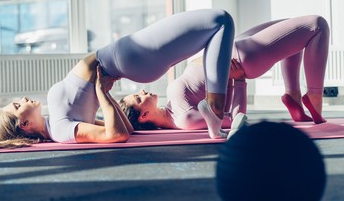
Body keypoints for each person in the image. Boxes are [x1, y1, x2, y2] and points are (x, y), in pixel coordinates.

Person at [0, 9, 235, 150]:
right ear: (25, 125)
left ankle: (214, 110)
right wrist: (101, 94)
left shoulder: (56, 121)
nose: (20, 101)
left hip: (129, 58)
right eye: (16, 107)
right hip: (130, 56)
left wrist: (107, 94)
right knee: (220, 21)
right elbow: (117, 135)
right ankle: (214, 110)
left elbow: (127, 129)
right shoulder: (61, 130)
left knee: (215, 29)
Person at [120, 15, 330, 131]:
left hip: (230, 47)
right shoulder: (184, 120)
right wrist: (239, 80)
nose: (142, 91)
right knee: (317, 26)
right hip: (241, 58)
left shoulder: (171, 107)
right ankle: (314, 95)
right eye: (138, 98)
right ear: (144, 115)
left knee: (291, 26)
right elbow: (236, 119)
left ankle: (293, 97)